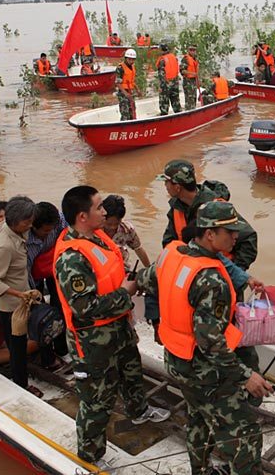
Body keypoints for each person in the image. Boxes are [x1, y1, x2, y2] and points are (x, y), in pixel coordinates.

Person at [140, 201, 270, 474]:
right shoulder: (211, 280)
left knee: (198, 417)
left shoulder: (172, 254)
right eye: (230, 231)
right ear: (210, 234)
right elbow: (210, 342)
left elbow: (145, 280)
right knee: (244, 434)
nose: (236, 236)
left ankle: (199, 470)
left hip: (177, 360)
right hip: (205, 370)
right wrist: (246, 375)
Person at [54, 186, 170, 466]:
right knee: (97, 402)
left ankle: (139, 410)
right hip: (93, 341)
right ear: (83, 216)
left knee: (132, 372)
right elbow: (85, 308)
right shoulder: (71, 258)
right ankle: (90, 458)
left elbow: (113, 274)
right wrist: (126, 292)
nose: (105, 212)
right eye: (98, 207)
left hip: (119, 327)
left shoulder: (99, 237)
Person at [0, 196, 44, 396]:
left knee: (26, 337)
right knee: (17, 347)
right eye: (27, 221)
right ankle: (22, 383)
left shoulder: (5, 227)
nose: (30, 224)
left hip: (22, 294)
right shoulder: (5, 246)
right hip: (11, 305)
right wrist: (20, 294)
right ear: (15, 221)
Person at [102, 194, 151, 272]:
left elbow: (139, 249)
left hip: (121, 269)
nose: (113, 227)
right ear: (102, 216)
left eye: (116, 224)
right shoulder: (93, 230)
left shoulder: (127, 229)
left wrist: (149, 270)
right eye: (109, 224)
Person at [156, 44, 181, 115]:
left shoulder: (162, 60)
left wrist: (160, 86)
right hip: (175, 82)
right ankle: (179, 116)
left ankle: (164, 118)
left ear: (162, 50)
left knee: (164, 103)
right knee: (176, 102)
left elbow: (161, 75)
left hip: (166, 84)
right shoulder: (174, 57)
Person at [115, 49, 140, 121]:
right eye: (130, 59)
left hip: (130, 91)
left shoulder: (132, 67)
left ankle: (133, 125)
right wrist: (125, 93)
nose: (131, 61)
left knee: (132, 109)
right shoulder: (120, 68)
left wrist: (137, 90)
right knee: (125, 112)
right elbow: (118, 83)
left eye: (133, 60)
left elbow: (132, 81)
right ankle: (124, 127)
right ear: (126, 58)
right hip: (123, 93)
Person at [181, 45, 201, 110]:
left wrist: (198, 81)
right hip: (188, 82)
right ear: (188, 50)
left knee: (194, 98)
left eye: (194, 50)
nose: (192, 51)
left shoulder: (195, 59)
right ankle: (188, 112)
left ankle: (193, 111)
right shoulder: (185, 59)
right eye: (191, 50)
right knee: (189, 99)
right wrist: (192, 74)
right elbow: (182, 71)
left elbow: (197, 72)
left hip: (194, 81)